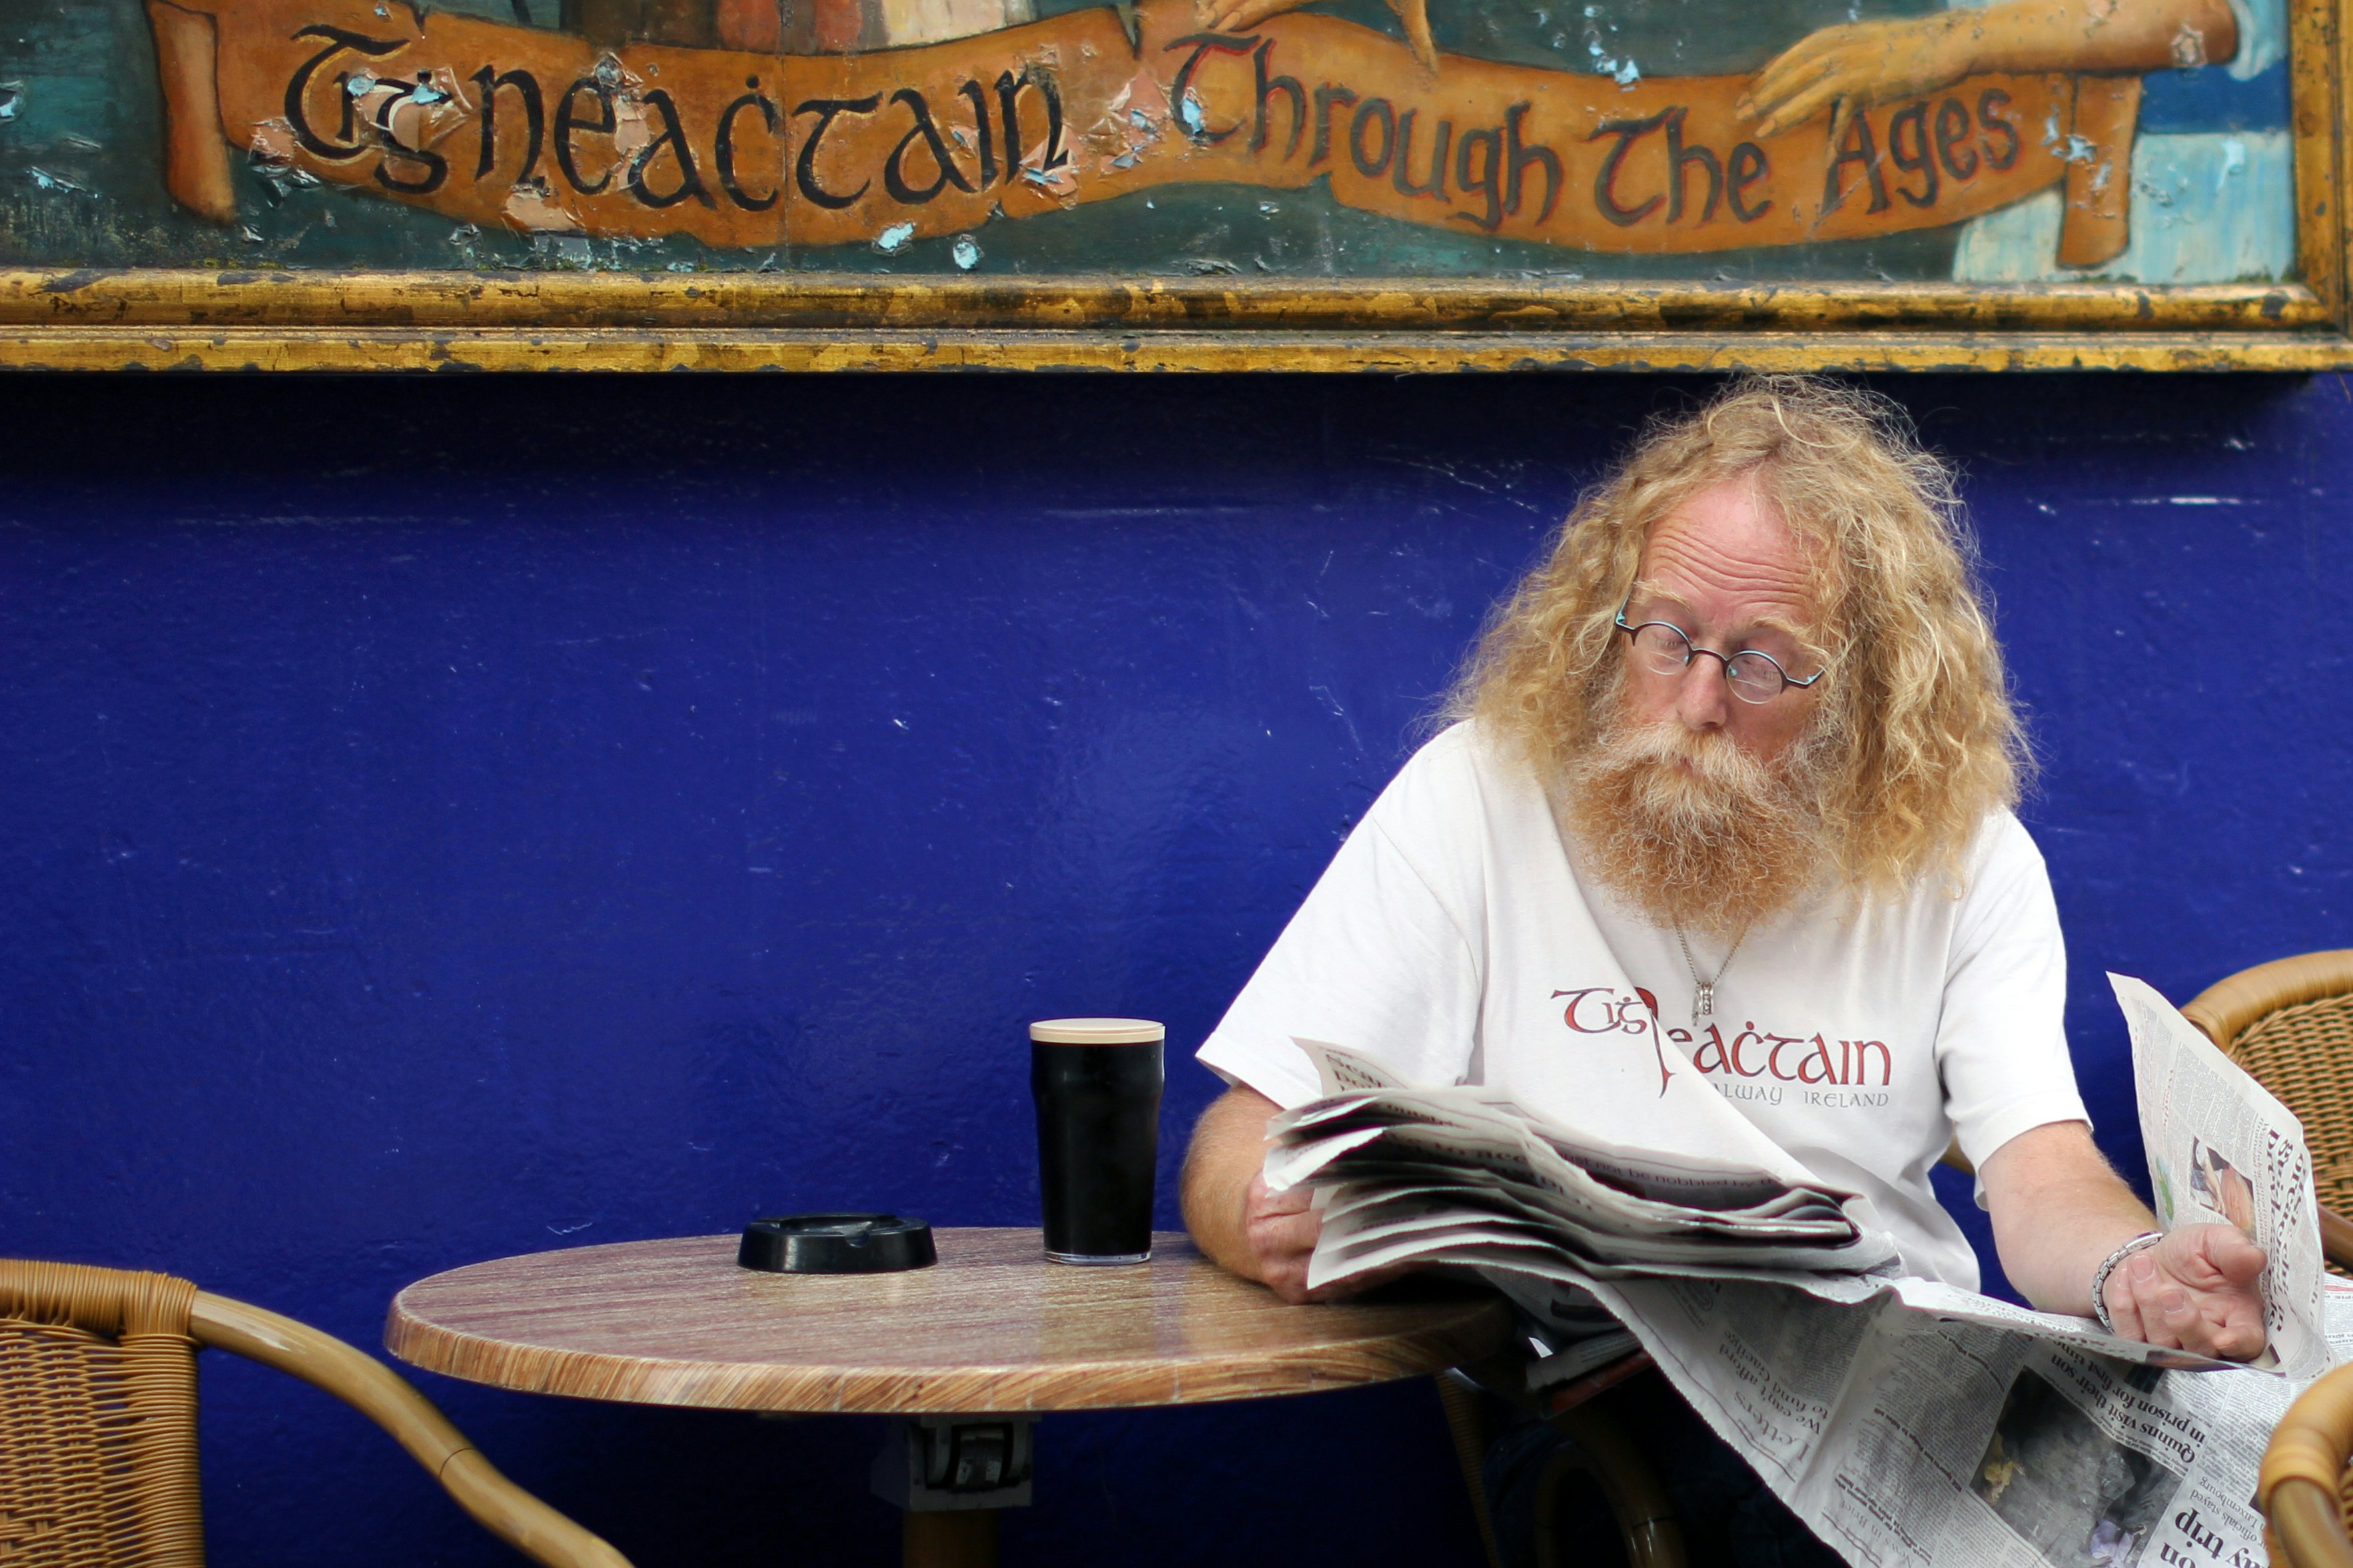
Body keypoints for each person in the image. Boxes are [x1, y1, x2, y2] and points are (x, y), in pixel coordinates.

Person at [1176, 377, 2268, 1565]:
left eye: (1760, 666)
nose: (1694, 701)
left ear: (1864, 689)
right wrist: (1268, 1214)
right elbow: (1242, 1135)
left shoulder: (1961, 853)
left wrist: (2131, 1271)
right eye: (1663, 637)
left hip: (1906, 1396)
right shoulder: (1479, 792)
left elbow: (2041, 1167)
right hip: (1608, 1415)